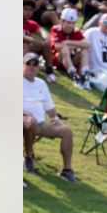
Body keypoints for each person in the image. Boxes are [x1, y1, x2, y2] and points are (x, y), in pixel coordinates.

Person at [23, 53, 78, 183]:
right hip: (22, 121)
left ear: (38, 68)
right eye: (28, 64)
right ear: (22, 66)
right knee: (31, 121)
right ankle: (28, 157)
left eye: (35, 64)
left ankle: (67, 170)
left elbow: (49, 107)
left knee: (67, 131)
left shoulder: (41, 83)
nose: (31, 67)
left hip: (40, 123)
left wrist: (54, 118)